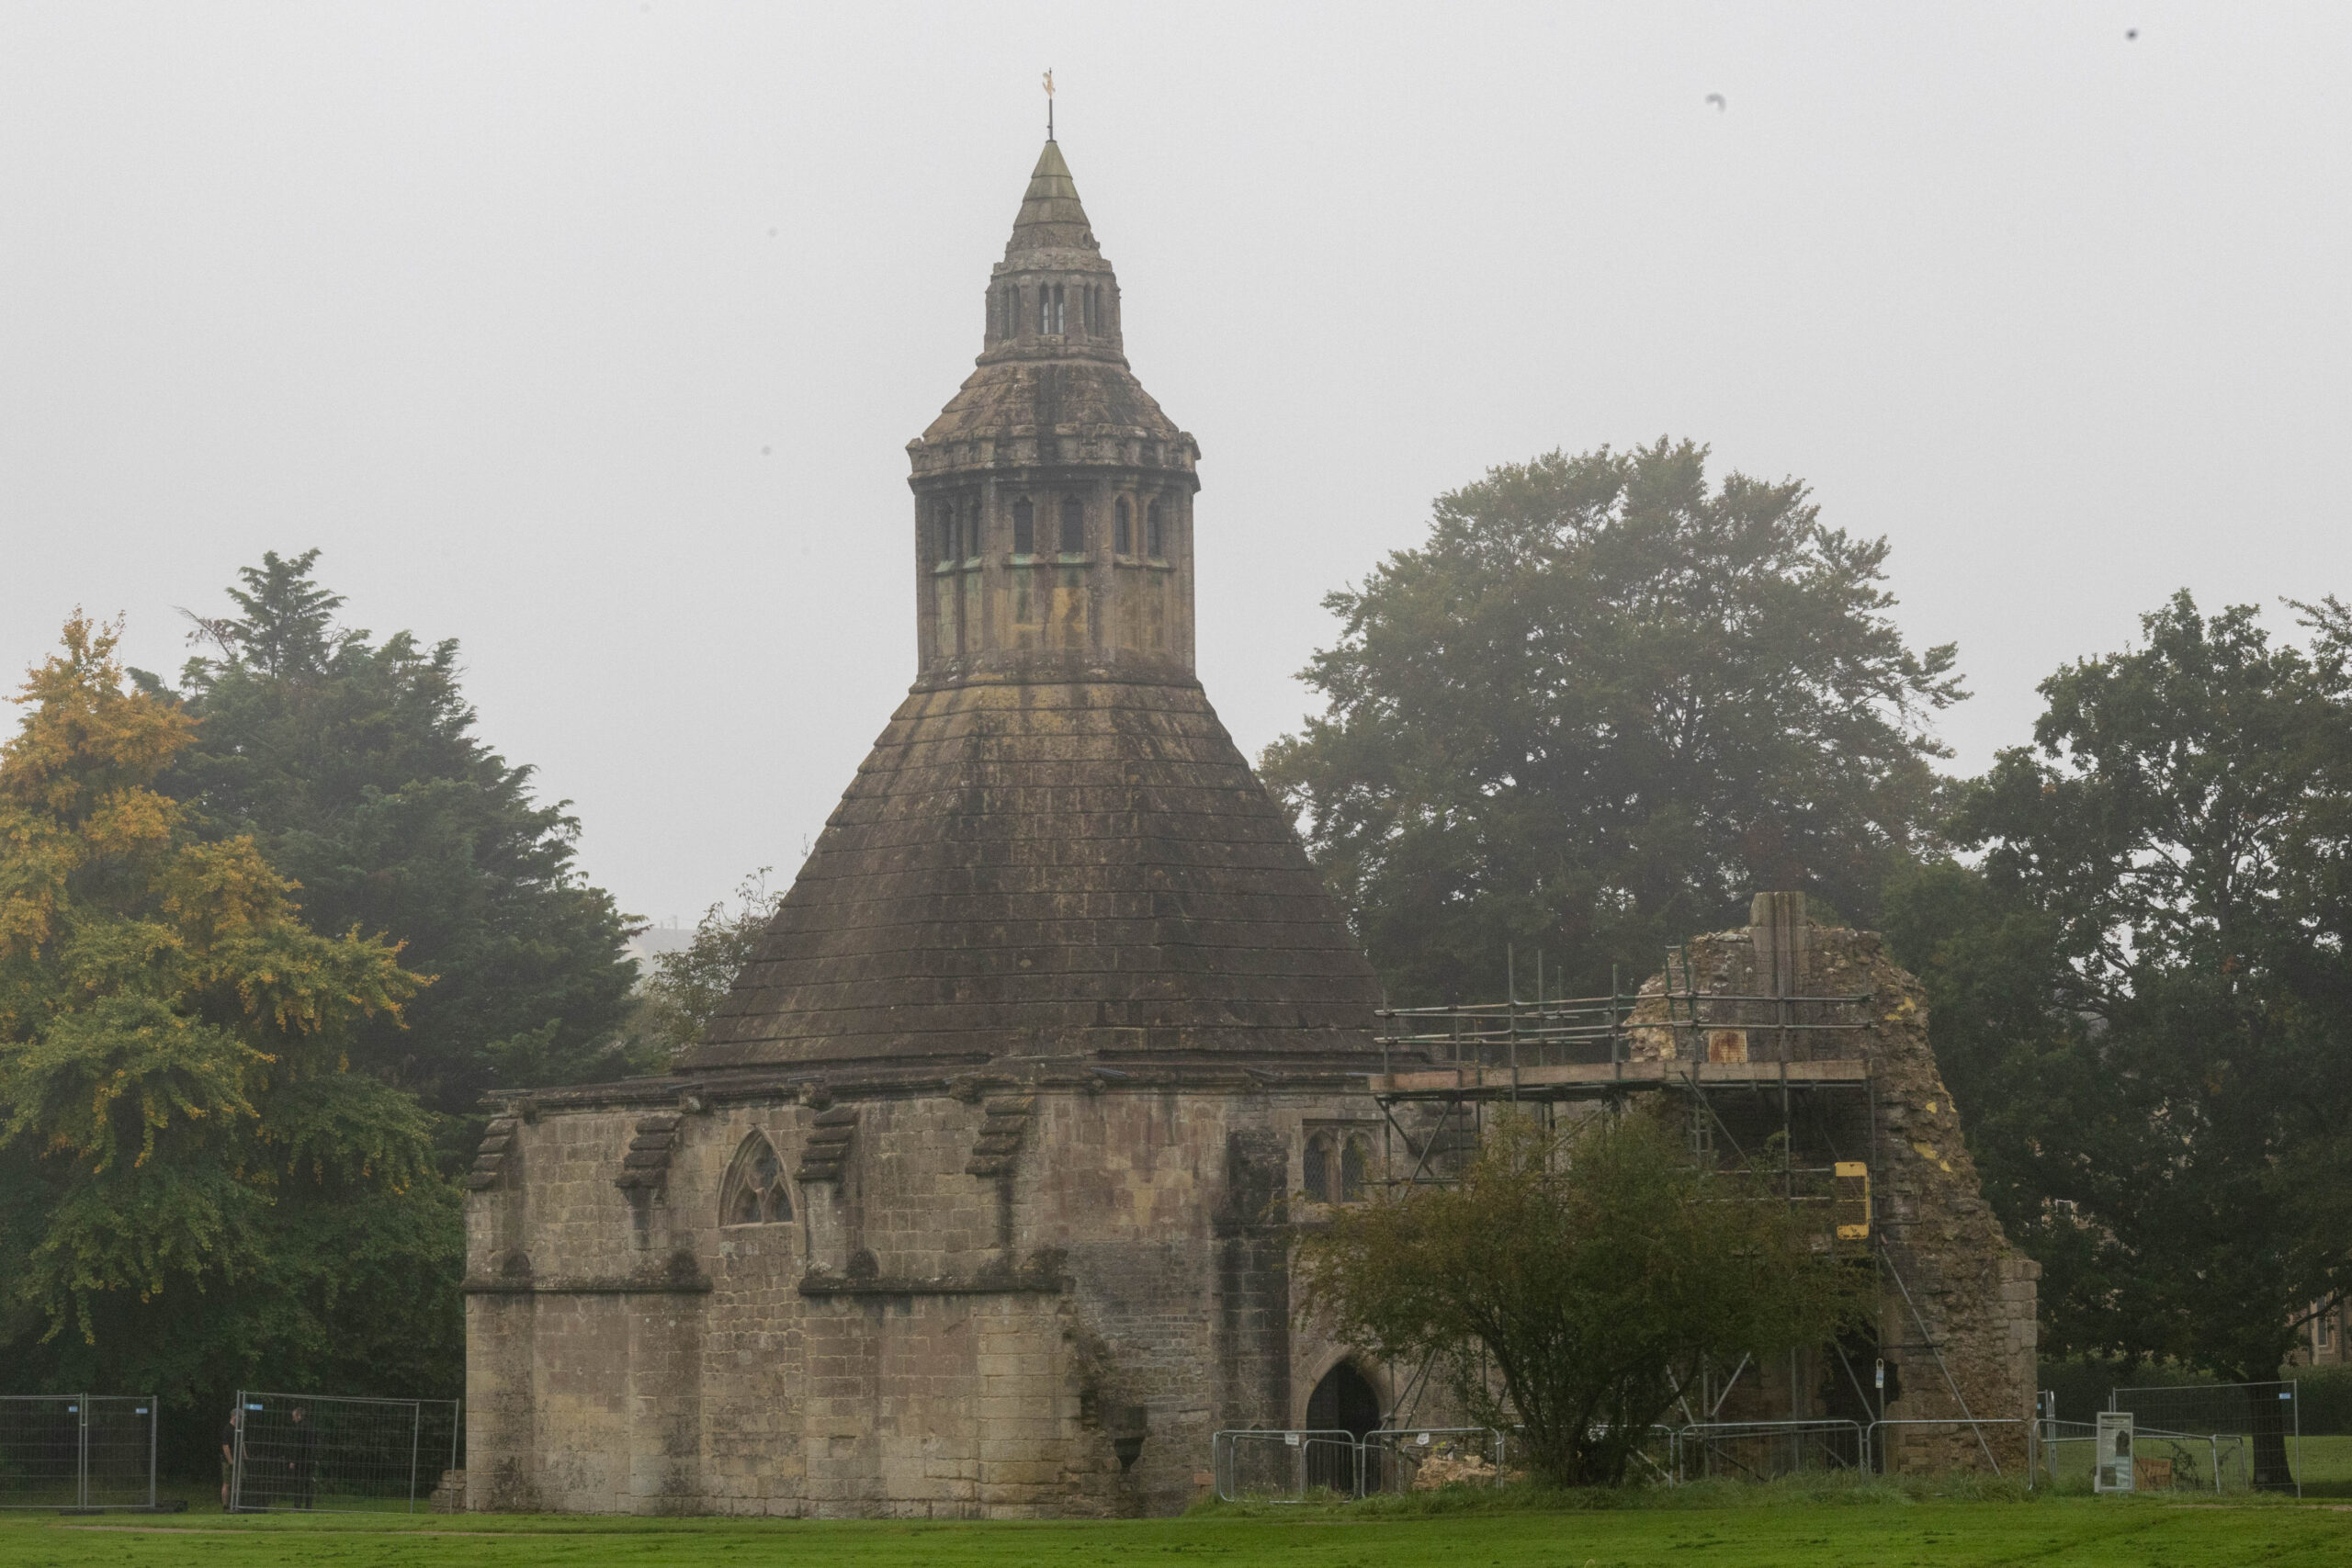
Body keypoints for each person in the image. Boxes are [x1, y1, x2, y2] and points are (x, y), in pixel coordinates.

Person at [287, 1404, 321, 1509]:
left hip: (300, 1460)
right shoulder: (312, 1427)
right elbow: (316, 1444)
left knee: (298, 1483)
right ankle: (308, 1506)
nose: (293, 1419)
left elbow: (297, 1446)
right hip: (310, 1459)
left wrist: (293, 1460)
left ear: (299, 1416)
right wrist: (316, 1458)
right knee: (309, 1483)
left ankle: (297, 1505)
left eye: (294, 1416)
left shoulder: (298, 1429)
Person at [218, 1407, 243, 1510]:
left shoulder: (237, 1429)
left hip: (237, 1460)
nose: (241, 1419)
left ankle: (235, 1505)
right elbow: (225, 1446)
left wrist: (244, 1457)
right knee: (227, 1483)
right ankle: (225, 1505)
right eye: (240, 1416)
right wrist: (230, 1461)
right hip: (228, 1461)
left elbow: (241, 1443)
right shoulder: (227, 1429)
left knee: (237, 1482)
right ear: (234, 1416)